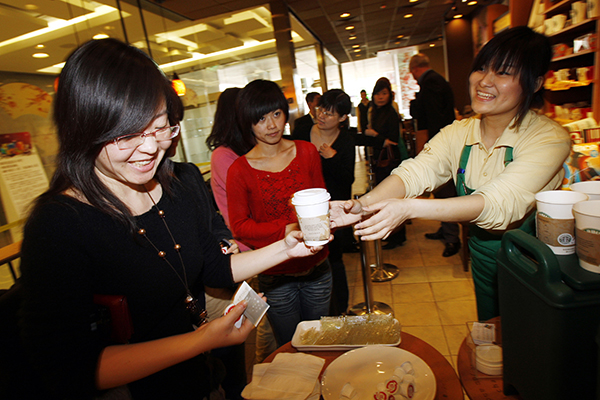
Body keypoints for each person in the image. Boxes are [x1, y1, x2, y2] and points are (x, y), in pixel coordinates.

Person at [18, 38, 327, 399]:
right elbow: (69, 367)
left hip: (203, 380)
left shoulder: (178, 183)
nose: (150, 147)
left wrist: (287, 248)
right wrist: (199, 341)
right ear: (84, 130)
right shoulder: (59, 225)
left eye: (161, 127)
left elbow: (214, 267)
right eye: (127, 134)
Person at [331, 26, 571, 321]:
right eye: (482, 68)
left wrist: (410, 208)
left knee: (531, 344)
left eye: (504, 72)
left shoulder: (549, 138)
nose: (485, 81)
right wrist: (361, 205)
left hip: (534, 263)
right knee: (492, 341)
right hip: (482, 255)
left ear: (534, 82)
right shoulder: (460, 132)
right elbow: (415, 172)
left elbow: (501, 203)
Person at [227, 79, 332, 347]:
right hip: (275, 277)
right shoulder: (240, 170)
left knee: (321, 344)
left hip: (317, 269)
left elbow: (321, 203)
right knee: (291, 347)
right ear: (247, 122)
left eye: (276, 114)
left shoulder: (306, 152)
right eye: (261, 118)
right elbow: (240, 226)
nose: (272, 125)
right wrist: (286, 230)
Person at [205, 88, 277, 364]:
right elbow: (255, 200)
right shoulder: (224, 155)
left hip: (267, 243)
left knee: (269, 320)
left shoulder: (248, 149)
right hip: (248, 247)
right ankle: (266, 376)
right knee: (264, 321)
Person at [292, 89, 355, 315]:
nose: (322, 116)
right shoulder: (301, 130)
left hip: (331, 211)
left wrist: (333, 157)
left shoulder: (346, 140)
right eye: (321, 110)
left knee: (334, 260)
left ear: (342, 118)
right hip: (303, 208)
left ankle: (340, 310)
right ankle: (316, 312)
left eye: (329, 114)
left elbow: (348, 179)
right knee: (306, 257)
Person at [409, 53, 461, 258]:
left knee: (444, 190)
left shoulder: (430, 84)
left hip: (440, 145)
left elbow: (432, 119)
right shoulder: (438, 81)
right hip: (444, 142)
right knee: (441, 190)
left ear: (414, 70)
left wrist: (429, 149)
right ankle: (446, 229)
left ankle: (452, 238)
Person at [364, 77, 408, 250]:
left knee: (392, 198)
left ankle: (397, 235)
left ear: (390, 95)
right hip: (380, 159)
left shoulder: (390, 112)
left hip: (390, 161)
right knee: (384, 198)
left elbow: (393, 139)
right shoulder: (374, 112)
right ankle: (392, 233)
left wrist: (374, 134)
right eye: (377, 94)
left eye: (384, 93)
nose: (380, 97)